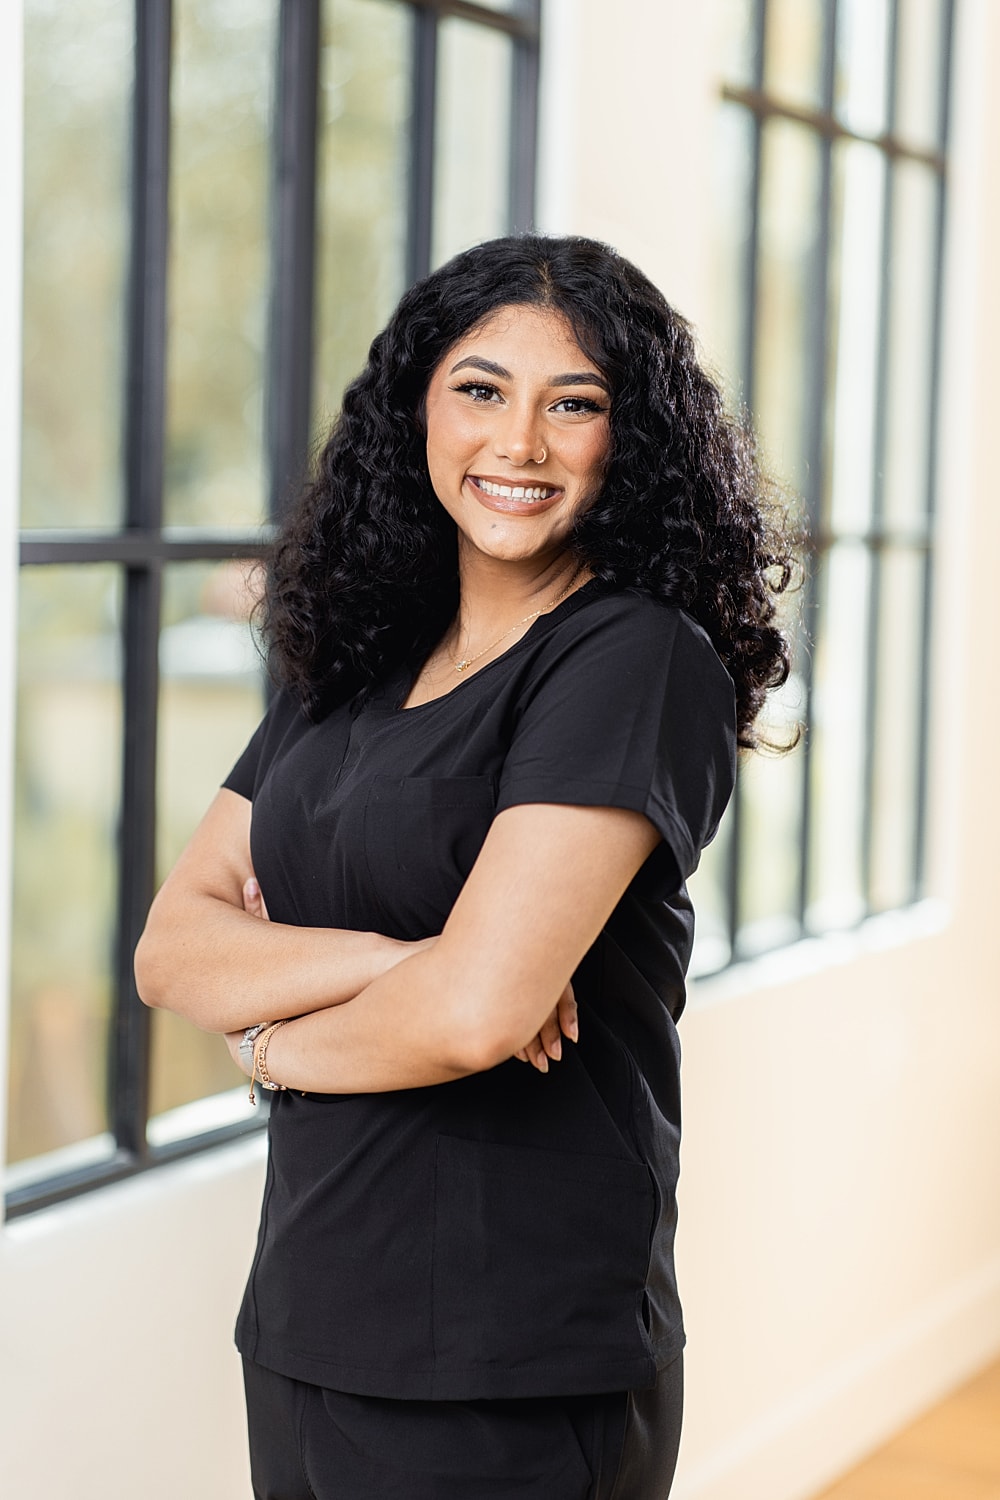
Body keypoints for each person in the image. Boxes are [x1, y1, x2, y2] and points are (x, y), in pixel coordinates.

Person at [135, 234, 794, 1500]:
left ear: (633, 438)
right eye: (481, 390)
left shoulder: (630, 659)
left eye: (576, 404)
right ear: (417, 408)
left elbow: (482, 1016)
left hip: (512, 1354)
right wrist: (413, 963)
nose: (521, 444)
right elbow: (175, 947)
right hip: (310, 1315)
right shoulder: (355, 657)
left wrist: (269, 1038)